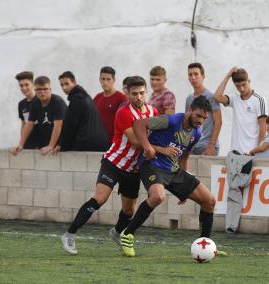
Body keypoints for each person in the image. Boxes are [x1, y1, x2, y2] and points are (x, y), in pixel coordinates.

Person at [60, 76, 158, 255]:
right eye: (134, 93)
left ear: (147, 92)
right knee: (100, 198)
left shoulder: (153, 112)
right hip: (113, 162)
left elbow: (158, 135)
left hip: (134, 169)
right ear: (127, 94)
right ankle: (69, 234)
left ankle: (117, 232)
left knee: (129, 209)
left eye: (142, 93)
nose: (139, 97)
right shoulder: (124, 112)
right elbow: (136, 141)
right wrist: (161, 149)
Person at [120, 96, 216, 257]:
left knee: (209, 201)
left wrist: (184, 189)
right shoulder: (170, 121)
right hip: (152, 165)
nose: (200, 120)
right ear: (190, 110)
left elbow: (184, 157)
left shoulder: (196, 133)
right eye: (198, 115)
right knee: (158, 196)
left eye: (204, 118)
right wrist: (148, 148)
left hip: (173, 169)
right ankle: (128, 234)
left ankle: (204, 245)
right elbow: (139, 124)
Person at [214, 67, 267, 154]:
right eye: (238, 86)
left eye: (244, 85)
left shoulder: (259, 100)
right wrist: (228, 76)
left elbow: (263, 126)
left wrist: (257, 151)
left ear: (249, 81)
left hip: (251, 153)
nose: (241, 89)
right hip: (235, 152)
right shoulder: (234, 98)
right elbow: (217, 97)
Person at [11, 76, 67, 156]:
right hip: (46, 143)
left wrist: (51, 145)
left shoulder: (58, 102)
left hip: (61, 143)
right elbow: (29, 124)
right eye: (39, 89)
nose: (42, 92)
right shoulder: (35, 103)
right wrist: (21, 144)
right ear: (35, 90)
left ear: (50, 89)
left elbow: (58, 126)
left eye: (45, 89)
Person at [55, 71, 109, 152]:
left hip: (87, 144)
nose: (64, 88)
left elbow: (71, 125)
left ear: (74, 82)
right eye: (62, 85)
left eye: (67, 84)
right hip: (100, 143)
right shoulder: (85, 96)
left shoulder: (76, 99)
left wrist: (62, 145)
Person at [185, 63, 222, 156]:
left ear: (203, 76)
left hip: (207, 146)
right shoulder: (189, 98)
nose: (193, 77)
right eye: (190, 75)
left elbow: (218, 121)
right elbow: (187, 122)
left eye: (196, 74)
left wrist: (211, 146)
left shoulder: (210, 96)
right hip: (192, 146)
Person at [93, 66, 127, 143]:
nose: (105, 82)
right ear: (99, 79)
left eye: (108, 79)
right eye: (103, 79)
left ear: (113, 80)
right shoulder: (97, 97)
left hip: (115, 141)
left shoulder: (121, 98)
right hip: (99, 141)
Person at [15, 71, 42, 149]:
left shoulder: (41, 100)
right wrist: (21, 143)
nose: (24, 88)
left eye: (26, 85)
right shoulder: (21, 104)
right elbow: (23, 124)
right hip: (28, 145)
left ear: (33, 84)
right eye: (21, 85)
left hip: (42, 145)